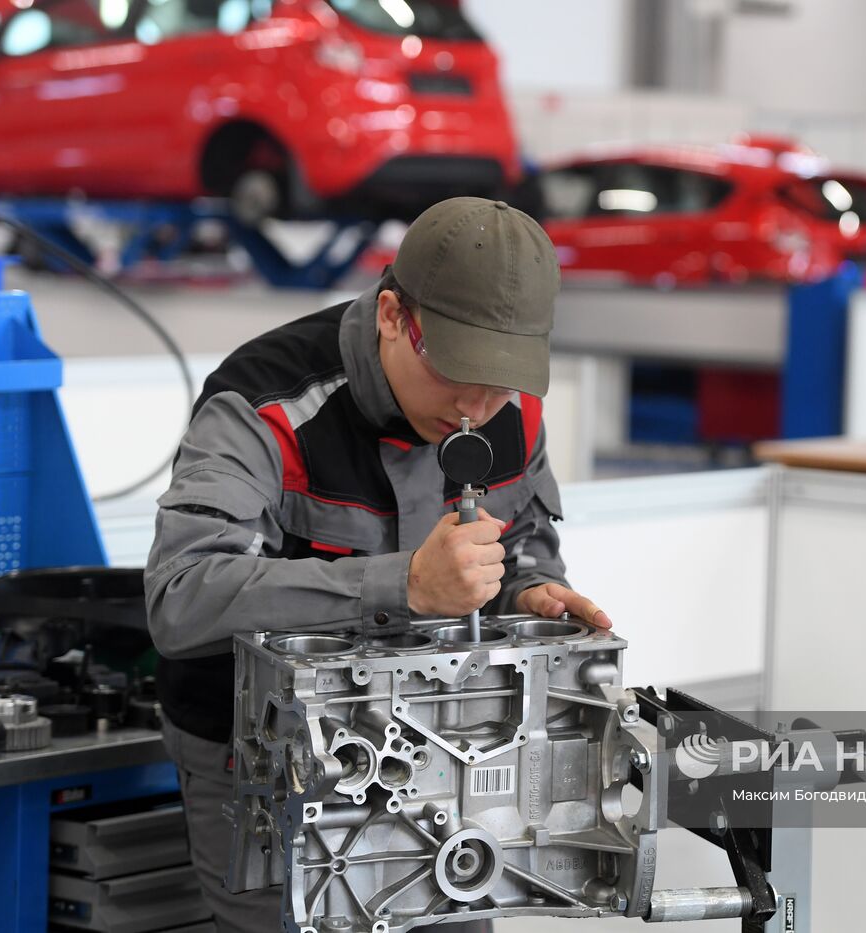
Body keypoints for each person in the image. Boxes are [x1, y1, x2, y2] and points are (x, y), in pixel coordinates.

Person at [145, 197, 609, 932]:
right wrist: (405, 587)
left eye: (502, 375)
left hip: (442, 758)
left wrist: (531, 591)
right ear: (393, 314)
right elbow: (182, 597)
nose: (476, 405)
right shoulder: (265, 405)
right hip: (269, 770)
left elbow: (518, 546)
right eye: (457, 369)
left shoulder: (509, 408)